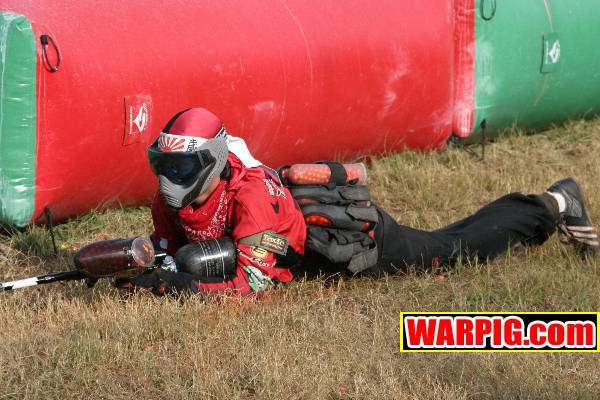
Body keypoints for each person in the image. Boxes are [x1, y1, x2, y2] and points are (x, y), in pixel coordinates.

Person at [118, 107, 598, 296]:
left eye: (182, 167)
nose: (170, 180)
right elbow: (170, 248)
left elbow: (251, 286)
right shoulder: (170, 200)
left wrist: (183, 288)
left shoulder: (251, 198)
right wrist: (137, 268)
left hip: (352, 241)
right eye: (164, 166)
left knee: (454, 249)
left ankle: (554, 204)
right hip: (302, 241)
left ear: (214, 161)